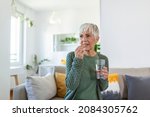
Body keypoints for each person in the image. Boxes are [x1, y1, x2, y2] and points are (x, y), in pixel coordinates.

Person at [64, 23, 109, 100]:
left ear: (97, 39)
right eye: (81, 36)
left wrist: (104, 78)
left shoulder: (103, 59)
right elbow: (71, 86)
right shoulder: (72, 56)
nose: (83, 40)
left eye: (88, 36)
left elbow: (103, 88)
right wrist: (77, 60)